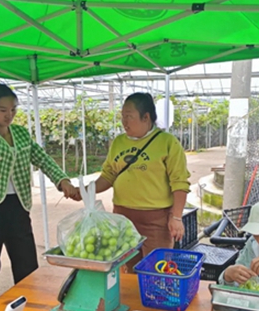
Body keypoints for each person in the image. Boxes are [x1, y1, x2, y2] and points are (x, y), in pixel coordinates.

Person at [0, 81, 78, 311]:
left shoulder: (19, 133)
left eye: (13, 110)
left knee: (26, 262)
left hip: (17, 205)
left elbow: (42, 158)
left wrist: (62, 181)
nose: (9, 115)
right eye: (2, 109)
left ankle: (29, 308)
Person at [75, 92, 191, 271]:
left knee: (157, 270)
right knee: (127, 269)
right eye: (122, 117)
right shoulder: (119, 143)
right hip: (123, 219)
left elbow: (180, 183)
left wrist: (176, 217)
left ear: (146, 117)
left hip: (156, 222)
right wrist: (86, 190)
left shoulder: (168, 143)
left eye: (129, 117)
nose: (124, 122)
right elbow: (109, 175)